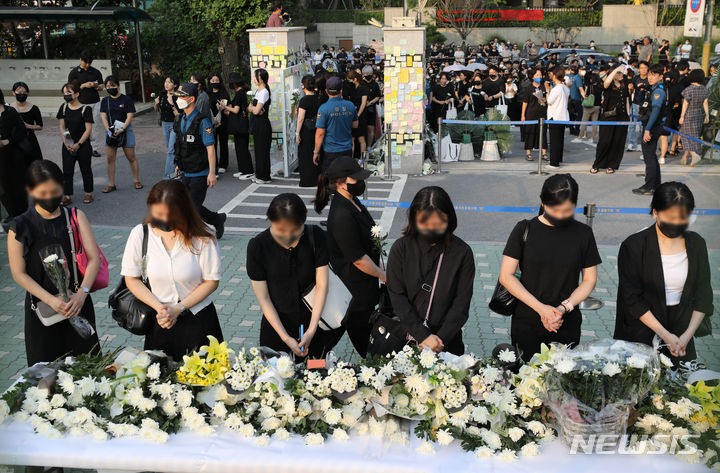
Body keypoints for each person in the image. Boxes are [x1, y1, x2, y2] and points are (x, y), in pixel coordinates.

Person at [499, 174, 601, 361]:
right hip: (528, 318)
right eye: (555, 210)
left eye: (567, 210)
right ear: (543, 203)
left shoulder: (583, 234)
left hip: (566, 321)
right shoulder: (524, 229)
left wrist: (563, 308)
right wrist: (541, 309)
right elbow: (506, 276)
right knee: (525, 379)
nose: (561, 215)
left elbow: (589, 279)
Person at [8, 160, 101, 365]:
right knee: (47, 373)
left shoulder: (75, 216)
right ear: (31, 191)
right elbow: (18, 273)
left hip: (78, 305)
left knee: (88, 368)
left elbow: (94, 259)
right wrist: (52, 301)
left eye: (55, 191)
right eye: (43, 193)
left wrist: (81, 294)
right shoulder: (20, 226)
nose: (50, 197)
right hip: (43, 309)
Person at [121, 180, 223, 360]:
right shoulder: (140, 234)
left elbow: (211, 281)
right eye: (159, 214)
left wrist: (179, 308)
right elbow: (132, 278)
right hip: (160, 321)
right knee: (161, 384)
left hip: (199, 319)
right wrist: (160, 308)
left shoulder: (204, 235)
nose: (165, 220)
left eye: (171, 215)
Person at [614, 182, 713, 362]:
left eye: (681, 218)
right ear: (655, 212)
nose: (675, 223)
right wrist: (665, 336)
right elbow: (632, 299)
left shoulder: (697, 244)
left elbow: (703, 295)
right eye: (670, 218)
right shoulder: (634, 246)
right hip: (642, 331)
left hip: (682, 331)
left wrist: (686, 336)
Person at [386, 187, 474, 355]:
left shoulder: (462, 252)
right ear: (414, 219)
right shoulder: (401, 249)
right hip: (405, 338)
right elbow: (397, 297)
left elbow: (461, 304)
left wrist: (438, 340)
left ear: (450, 219)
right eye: (425, 224)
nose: (432, 229)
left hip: (446, 341)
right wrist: (423, 336)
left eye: (438, 224)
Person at [313, 157, 383, 357]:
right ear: (341, 183)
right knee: (357, 337)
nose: (361, 182)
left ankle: (313, 364)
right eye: (356, 178)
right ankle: (379, 368)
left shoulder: (351, 201)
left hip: (360, 288)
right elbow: (358, 259)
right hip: (353, 291)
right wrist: (383, 275)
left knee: (335, 336)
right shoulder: (342, 215)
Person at [247, 193, 331, 358]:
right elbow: (263, 298)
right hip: (276, 327)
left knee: (315, 375)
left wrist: (312, 329)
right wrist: (285, 337)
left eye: (294, 230)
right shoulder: (258, 246)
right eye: (281, 230)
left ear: (303, 221)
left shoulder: (316, 236)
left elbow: (322, 285)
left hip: (314, 323)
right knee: (275, 378)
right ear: (271, 221)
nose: (288, 236)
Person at [172, 83, 227, 238]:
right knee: (187, 205)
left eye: (182, 96)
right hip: (185, 171)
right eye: (179, 96)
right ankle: (217, 219)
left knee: (192, 209)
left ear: (192, 99)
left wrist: (211, 173)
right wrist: (178, 163)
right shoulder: (180, 119)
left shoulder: (203, 121)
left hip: (200, 173)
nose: (179, 99)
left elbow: (211, 148)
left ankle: (190, 237)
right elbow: (180, 144)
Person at [100, 75, 142, 193]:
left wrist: (123, 128)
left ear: (118, 86)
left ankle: (136, 180)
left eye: (112, 85)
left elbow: (130, 115)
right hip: (110, 131)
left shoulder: (126, 99)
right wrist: (108, 130)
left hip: (125, 130)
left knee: (131, 157)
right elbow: (103, 116)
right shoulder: (105, 101)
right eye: (108, 86)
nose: (110, 88)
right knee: (110, 158)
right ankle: (111, 184)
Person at [57, 81, 94, 205]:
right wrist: (65, 142)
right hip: (67, 144)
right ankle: (67, 195)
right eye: (64, 93)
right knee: (67, 171)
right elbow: (62, 127)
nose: (66, 95)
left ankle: (88, 193)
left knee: (86, 170)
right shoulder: (63, 108)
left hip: (83, 145)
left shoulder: (85, 109)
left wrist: (78, 144)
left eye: (69, 92)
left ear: (77, 94)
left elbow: (88, 129)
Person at [633, 64, 666, 195]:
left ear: (661, 77)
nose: (650, 78)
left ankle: (649, 186)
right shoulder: (652, 89)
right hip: (652, 126)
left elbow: (656, 110)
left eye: (654, 75)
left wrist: (647, 129)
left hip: (652, 127)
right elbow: (643, 104)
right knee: (651, 155)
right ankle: (656, 185)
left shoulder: (658, 91)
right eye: (649, 75)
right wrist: (640, 91)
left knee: (649, 157)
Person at [591, 65, 630, 174]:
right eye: (618, 73)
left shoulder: (624, 85)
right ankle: (597, 164)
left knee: (618, 142)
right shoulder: (608, 85)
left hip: (622, 117)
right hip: (609, 117)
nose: (620, 75)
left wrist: (628, 114)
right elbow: (606, 82)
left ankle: (612, 165)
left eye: (621, 73)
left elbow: (627, 100)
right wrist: (616, 70)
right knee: (605, 141)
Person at [314, 76, 358, 170]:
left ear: (326, 91)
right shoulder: (350, 105)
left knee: (332, 179)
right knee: (345, 177)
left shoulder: (324, 108)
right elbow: (355, 124)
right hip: (347, 149)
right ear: (341, 90)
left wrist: (316, 152)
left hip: (330, 151)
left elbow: (320, 133)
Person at [68, 50, 103, 158]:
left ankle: (94, 148)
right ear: (80, 60)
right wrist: (83, 85)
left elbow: (101, 87)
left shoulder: (96, 72)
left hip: (95, 102)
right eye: (85, 62)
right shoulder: (74, 73)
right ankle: (80, 146)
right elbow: (70, 89)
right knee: (81, 126)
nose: (87, 65)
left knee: (95, 126)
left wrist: (95, 85)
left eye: (89, 63)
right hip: (81, 104)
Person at [0, 89, 29, 219]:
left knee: (17, 185)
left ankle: (23, 214)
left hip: (12, 154)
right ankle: (12, 216)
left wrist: (9, 141)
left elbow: (22, 130)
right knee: (4, 188)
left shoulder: (10, 112)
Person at [219, 72, 253, 180]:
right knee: (240, 148)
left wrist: (225, 107)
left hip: (240, 126)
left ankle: (248, 171)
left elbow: (236, 109)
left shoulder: (239, 94)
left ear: (234, 83)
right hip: (240, 124)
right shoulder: (242, 92)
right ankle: (243, 170)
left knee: (242, 148)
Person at [679, 69, 709, 167]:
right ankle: (685, 156)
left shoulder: (689, 89)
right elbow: (705, 103)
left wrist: (682, 116)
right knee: (694, 136)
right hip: (699, 114)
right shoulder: (704, 89)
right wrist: (707, 115)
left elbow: (685, 104)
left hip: (689, 115)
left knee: (685, 135)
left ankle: (694, 155)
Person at [248, 68, 273, 184]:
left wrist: (254, 109)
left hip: (263, 124)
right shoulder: (258, 91)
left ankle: (264, 177)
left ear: (261, 79)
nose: (253, 79)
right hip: (257, 124)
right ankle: (259, 174)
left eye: (255, 77)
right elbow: (250, 108)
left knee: (263, 150)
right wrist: (254, 109)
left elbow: (256, 110)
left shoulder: (264, 92)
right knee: (258, 150)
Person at [296, 75, 321, 187]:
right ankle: (316, 178)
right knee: (315, 152)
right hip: (317, 128)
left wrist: (297, 133)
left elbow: (301, 118)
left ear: (303, 86)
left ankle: (307, 180)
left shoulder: (304, 100)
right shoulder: (318, 98)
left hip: (306, 130)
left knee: (305, 155)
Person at [10, 82, 43, 165]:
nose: (22, 94)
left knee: (34, 166)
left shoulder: (34, 108)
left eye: (24, 93)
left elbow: (40, 126)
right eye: (19, 92)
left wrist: (27, 126)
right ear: (13, 93)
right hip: (13, 141)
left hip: (29, 140)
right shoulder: (9, 108)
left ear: (28, 93)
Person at [154, 75, 180, 179]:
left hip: (174, 124)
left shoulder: (178, 97)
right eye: (165, 82)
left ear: (175, 85)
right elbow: (157, 110)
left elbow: (178, 115)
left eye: (169, 82)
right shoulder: (162, 95)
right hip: (165, 124)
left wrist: (172, 103)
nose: (166, 84)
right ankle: (177, 170)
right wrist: (156, 104)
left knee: (170, 150)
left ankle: (168, 176)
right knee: (171, 149)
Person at [521, 69, 548, 162]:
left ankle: (544, 153)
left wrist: (545, 96)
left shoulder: (544, 87)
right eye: (537, 75)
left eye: (540, 75)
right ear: (532, 77)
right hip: (531, 113)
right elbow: (525, 102)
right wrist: (523, 115)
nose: (539, 77)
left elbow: (548, 99)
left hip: (542, 113)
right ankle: (528, 153)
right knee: (530, 133)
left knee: (543, 133)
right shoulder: (528, 88)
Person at [207, 72, 231, 175]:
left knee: (223, 143)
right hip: (211, 122)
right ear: (209, 81)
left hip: (223, 121)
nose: (214, 82)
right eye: (212, 81)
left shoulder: (224, 93)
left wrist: (224, 108)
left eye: (216, 80)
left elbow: (229, 106)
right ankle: (214, 164)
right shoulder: (207, 93)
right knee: (212, 143)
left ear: (220, 81)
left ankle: (223, 165)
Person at [546, 66, 569, 169]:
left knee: (554, 141)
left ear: (555, 76)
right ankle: (558, 159)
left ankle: (554, 163)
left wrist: (547, 90)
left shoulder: (556, 89)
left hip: (555, 116)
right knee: (559, 140)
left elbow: (549, 101)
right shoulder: (565, 87)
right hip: (563, 116)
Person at [627, 61, 649, 152]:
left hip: (645, 106)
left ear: (648, 69)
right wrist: (630, 88)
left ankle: (640, 144)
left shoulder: (650, 79)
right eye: (641, 68)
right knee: (632, 125)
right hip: (635, 104)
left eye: (645, 67)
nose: (643, 70)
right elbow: (631, 92)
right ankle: (631, 143)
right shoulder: (635, 78)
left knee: (641, 126)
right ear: (638, 69)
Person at [347, 70, 369, 160]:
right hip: (352, 115)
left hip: (361, 115)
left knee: (361, 139)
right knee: (352, 139)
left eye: (350, 80)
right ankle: (351, 159)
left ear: (355, 79)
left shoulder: (364, 88)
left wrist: (358, 115)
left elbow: (363, 103)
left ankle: (362, 159)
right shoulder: (352, 88)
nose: (349, 82)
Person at [577, 70, 600, 143]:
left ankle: (580, 136)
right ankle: (592, 138)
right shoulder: (600, 87)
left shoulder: (590, 87)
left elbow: (586, 96)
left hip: (589, 106)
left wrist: (586, 89)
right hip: (597, 106)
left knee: (584, 121)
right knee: (594, 123)